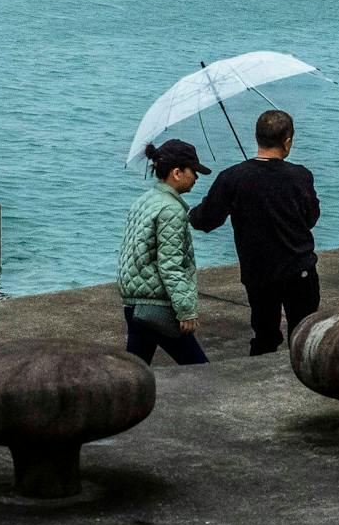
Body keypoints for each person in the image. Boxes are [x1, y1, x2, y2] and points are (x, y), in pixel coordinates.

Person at [188, 109, 321, 356]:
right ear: (287, 141)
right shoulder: (301, 175)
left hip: (259, 274)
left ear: (257, 138)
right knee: (304, 334)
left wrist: (187, 212)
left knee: (265, 336)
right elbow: (311, 218)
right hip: (299, 269)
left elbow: (206, 220)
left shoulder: (233, 177)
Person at [117, 138, 210, 365]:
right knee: (202, 371)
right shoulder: (171, 210)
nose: (196, 177)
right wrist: (186, 311)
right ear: (177, 173)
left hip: (135, 303)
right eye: (193, 171)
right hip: (156, 307)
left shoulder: (145, 200)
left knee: (135, 373)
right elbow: (170, 264)